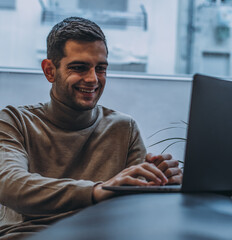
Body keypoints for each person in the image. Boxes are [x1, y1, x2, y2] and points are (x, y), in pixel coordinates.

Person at [0, 17, 182, 239]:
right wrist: (97, 191)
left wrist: (164, 183)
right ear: (50, 71)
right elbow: (9, 184)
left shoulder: (124, 128)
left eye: (101, 69)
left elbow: (138, 205)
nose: (93, 79)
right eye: (79, 68)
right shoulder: (14, 121)